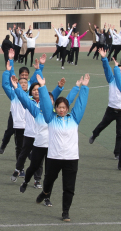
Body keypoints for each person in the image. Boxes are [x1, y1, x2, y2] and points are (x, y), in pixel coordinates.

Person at [33, 73, 90, 222]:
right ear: (55, 108)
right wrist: (43, 87)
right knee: (48, 181)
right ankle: (45, 192)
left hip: (71, 158)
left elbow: (81, 104)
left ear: (67, 108)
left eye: (64, 107)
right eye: (59, 107)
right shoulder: (50, 118)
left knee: (69, 187)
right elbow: (46, 105)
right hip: (54, 157)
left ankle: (65, 212)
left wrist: (84, 87)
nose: (62, 110)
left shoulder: (74, 118)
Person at [13, 76, 65, 192]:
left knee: (41, 163)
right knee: (24, 154)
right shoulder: (30, 103)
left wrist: (59, 87)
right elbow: (22, 97)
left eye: (38, 89)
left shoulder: (47, 106)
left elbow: (52, 97)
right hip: (30, 134)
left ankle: (38, 180)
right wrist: (16, 86)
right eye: (34, 89)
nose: (36, 91)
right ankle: (18, 169)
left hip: (44, 139)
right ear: (31, 91)